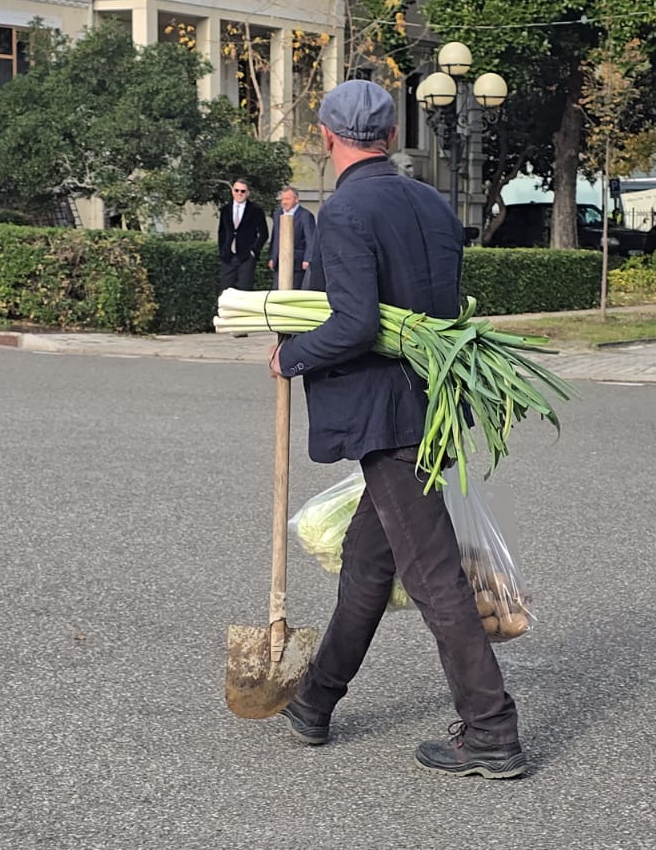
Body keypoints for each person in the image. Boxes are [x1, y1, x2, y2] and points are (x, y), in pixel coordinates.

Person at [267, 80, 526, 779]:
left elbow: (353, 325)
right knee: (368, 562)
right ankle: (315, 702)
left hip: (390, 422)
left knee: (435, 574)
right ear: (388, 134)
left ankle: (492, 729)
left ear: (327, 136)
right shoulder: (430, 203)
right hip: (433, 404)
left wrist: (290, 353)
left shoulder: (347, 210)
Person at [218, 178, 268, 336]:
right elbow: (222, 232)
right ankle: (227, 323)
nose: (239, 194)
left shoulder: (255, 210)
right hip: (229, 255)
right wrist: (223, 250)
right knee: (226, 288)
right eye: (237, 190)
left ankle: (241, 327)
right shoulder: (226, 209)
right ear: (232, 191)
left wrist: (254, 251)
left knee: (244, 290)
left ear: (247, 193)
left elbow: (263, 233)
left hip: (246, 256)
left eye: (243, 191)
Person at [266, 185, 316, 286]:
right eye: (282, 199)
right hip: (279, 263)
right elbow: (275, 237)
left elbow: (310, 239)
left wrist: (307, 259)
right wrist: (272, 257)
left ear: (296, 199)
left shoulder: (305, 215)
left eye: (287, 199)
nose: (284, 202)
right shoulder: (278, 214)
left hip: (297, 263)